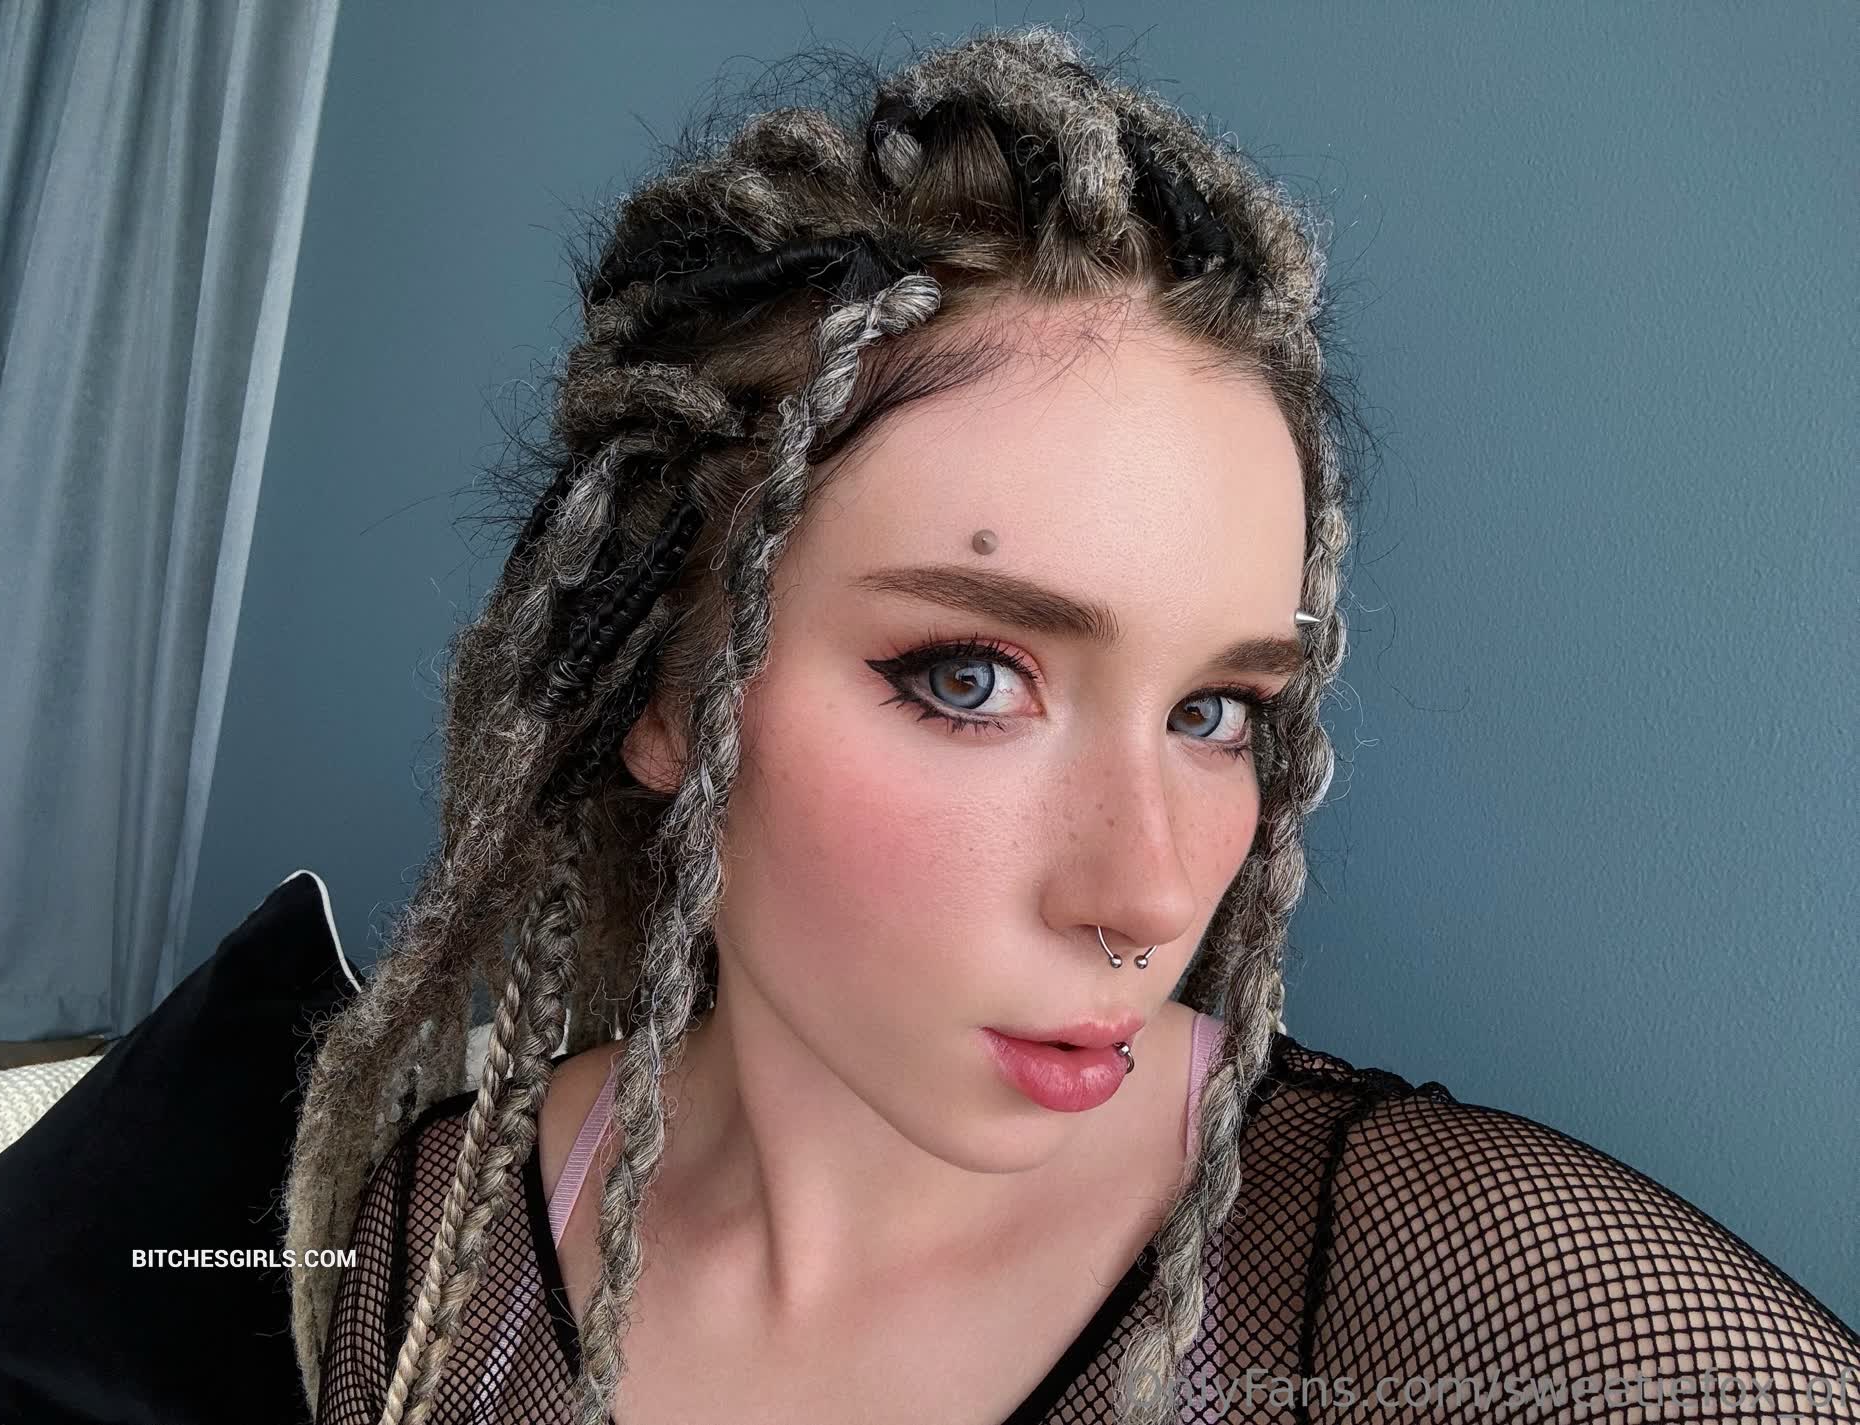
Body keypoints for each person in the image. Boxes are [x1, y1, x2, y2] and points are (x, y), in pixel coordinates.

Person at [283, 25, 1860, 1425]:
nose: (1152, 893)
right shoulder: (443, 1239)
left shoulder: (1442, 1292)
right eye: (970, 676)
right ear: (664, 697)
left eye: (1216, 711)